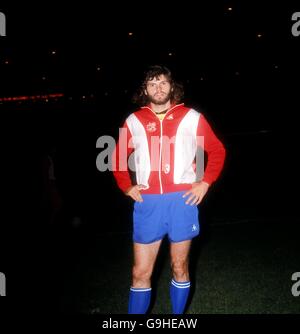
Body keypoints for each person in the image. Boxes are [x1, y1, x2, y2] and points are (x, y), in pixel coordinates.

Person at [112, 65, 226, 314]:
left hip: (182, 201)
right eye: (152, 83)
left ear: (172, 86)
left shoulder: (192, 117)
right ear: (145, 89)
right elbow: (118, 158)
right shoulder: (134, 120)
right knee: (140, 272)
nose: (158, 88)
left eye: (162, 82)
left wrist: (205, 182)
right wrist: (126, 185)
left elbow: (217, 151)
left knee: (180, 266)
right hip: (148, 203)